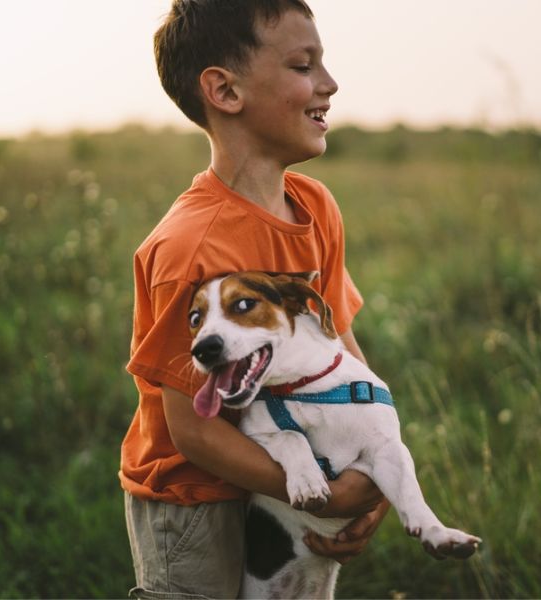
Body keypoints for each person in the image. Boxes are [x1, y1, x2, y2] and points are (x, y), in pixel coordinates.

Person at [119, 1, 389, 597]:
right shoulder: (188, 247)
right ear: (224, 90)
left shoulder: (316, 207)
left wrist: (372, 470)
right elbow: (192, 431)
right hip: (196, 497)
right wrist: (312, 485)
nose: (329, 83)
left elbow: (343, 352)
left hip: (296, 463)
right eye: (303, 65)